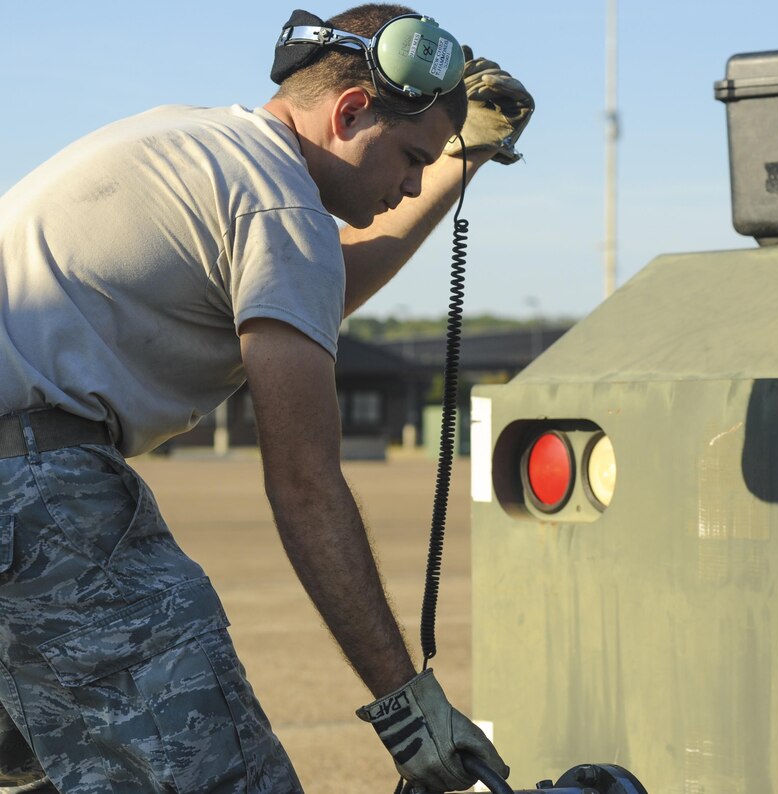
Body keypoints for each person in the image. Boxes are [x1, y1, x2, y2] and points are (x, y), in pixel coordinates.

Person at [0, 3, 534, 792]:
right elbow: (305, 483)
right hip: (37, 492)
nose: (415, 182)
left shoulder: (201, 142)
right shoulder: (281, 204)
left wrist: (467, 156)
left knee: (45, 773)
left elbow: (319, 284)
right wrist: (404, 702)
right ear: (352, 110)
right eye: (414, 157)